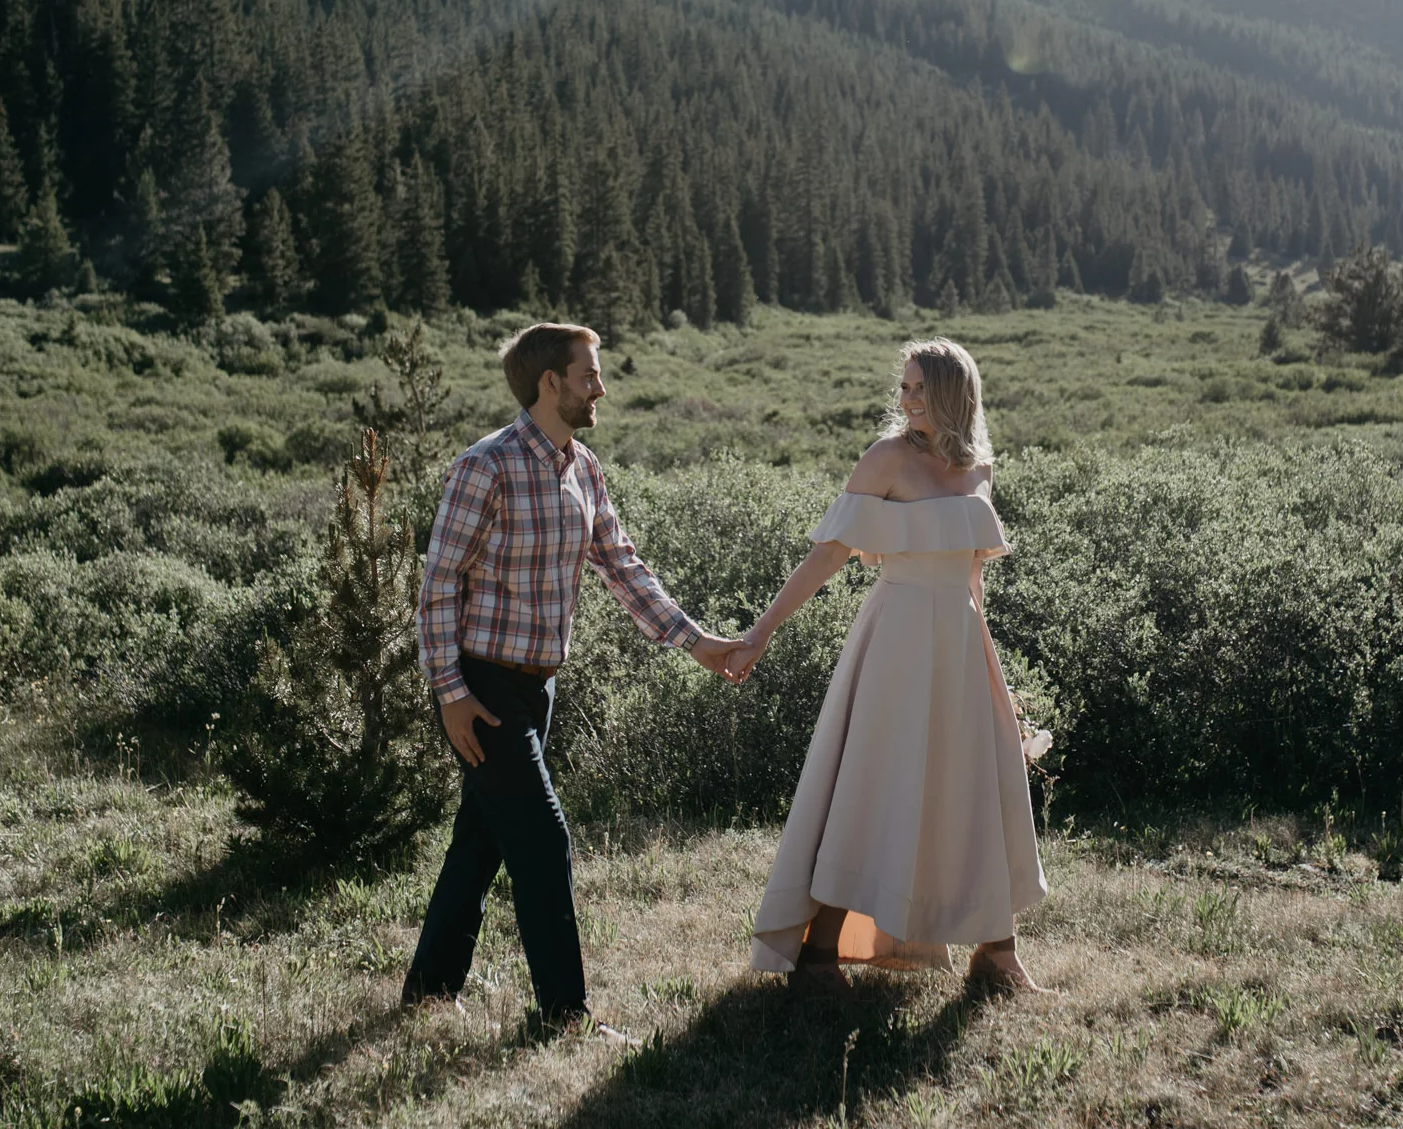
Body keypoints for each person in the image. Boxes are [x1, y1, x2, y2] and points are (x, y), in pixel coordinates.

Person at [401, 322, 747, 1031]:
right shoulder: (485, 467)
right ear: (549, 383)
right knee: (544, 838)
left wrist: (699, 643)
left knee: (483, 838)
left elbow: (622, 566)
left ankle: (429, 988)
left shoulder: (582, 466)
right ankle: (563, 1013)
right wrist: (451, 694)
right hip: (485, 686)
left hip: (539, 686)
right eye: (588, 374)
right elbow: (437, 585)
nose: (601, 386)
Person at [726, 338, 1049, 992]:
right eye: (902, 387)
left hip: (960, 639)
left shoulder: (981, 466)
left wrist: (995, 673)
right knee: (873, 784)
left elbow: (972, 574)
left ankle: (998, 953)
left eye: (918, 390)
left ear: (954, 395)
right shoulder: (885, 459)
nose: (904, 400)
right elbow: (827, 555)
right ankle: (818, 953)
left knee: (979, 785)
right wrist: (761, 629)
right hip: (896, 640)